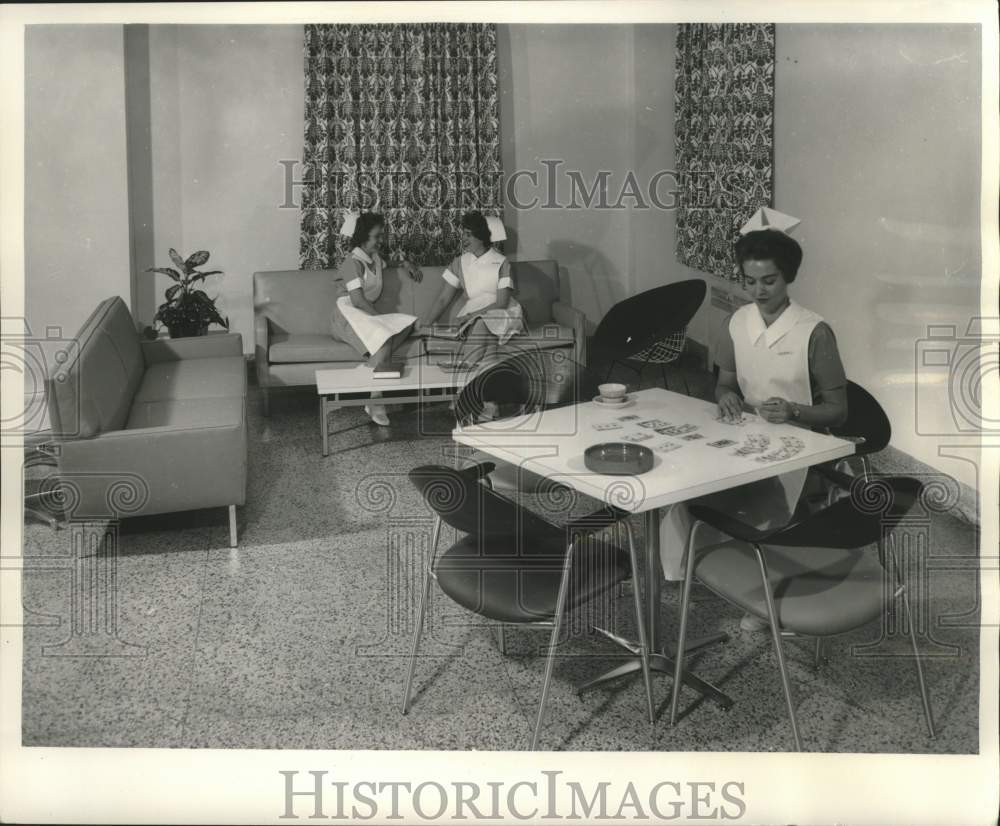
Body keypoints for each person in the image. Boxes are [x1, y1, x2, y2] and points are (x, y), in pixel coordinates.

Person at [661, 226, 849, 632]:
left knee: (762, 506)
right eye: (750, 281)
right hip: (746, 433)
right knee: (686, 486)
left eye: (769, 280)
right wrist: (726, 396)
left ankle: (762, 591)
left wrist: (795, 410)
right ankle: (703, 569)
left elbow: (838, 412)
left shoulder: (813, 331)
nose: (758, 291)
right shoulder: (736, 322)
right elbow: (725, 383)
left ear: (788, 277)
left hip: (802, 444)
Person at [330, 212, 423, 426]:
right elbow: (358, 300)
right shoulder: (352, 262)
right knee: (385, 337)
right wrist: (382, 321)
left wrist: (405, 263)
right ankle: (375, 400)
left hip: (363, 312)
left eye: (382, 235)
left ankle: (363, 376)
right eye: (377, 236)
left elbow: (389, 263)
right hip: (346, 314)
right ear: (363, 237)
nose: (381, 240)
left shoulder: (375, 259)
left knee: (408, 324)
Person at [417, 211, 524, 367]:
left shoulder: (502, 262)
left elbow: (501, 303)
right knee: (487, 338)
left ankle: (466, 364)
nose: (464, 238)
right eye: (463, 234)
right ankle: (483, 373)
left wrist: (470, 316)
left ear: (481, 236)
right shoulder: (459, 262)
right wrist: (425, 325)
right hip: (475, 313)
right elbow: (443, 299)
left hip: (502, 312)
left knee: (481, 322)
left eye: (468, 234)